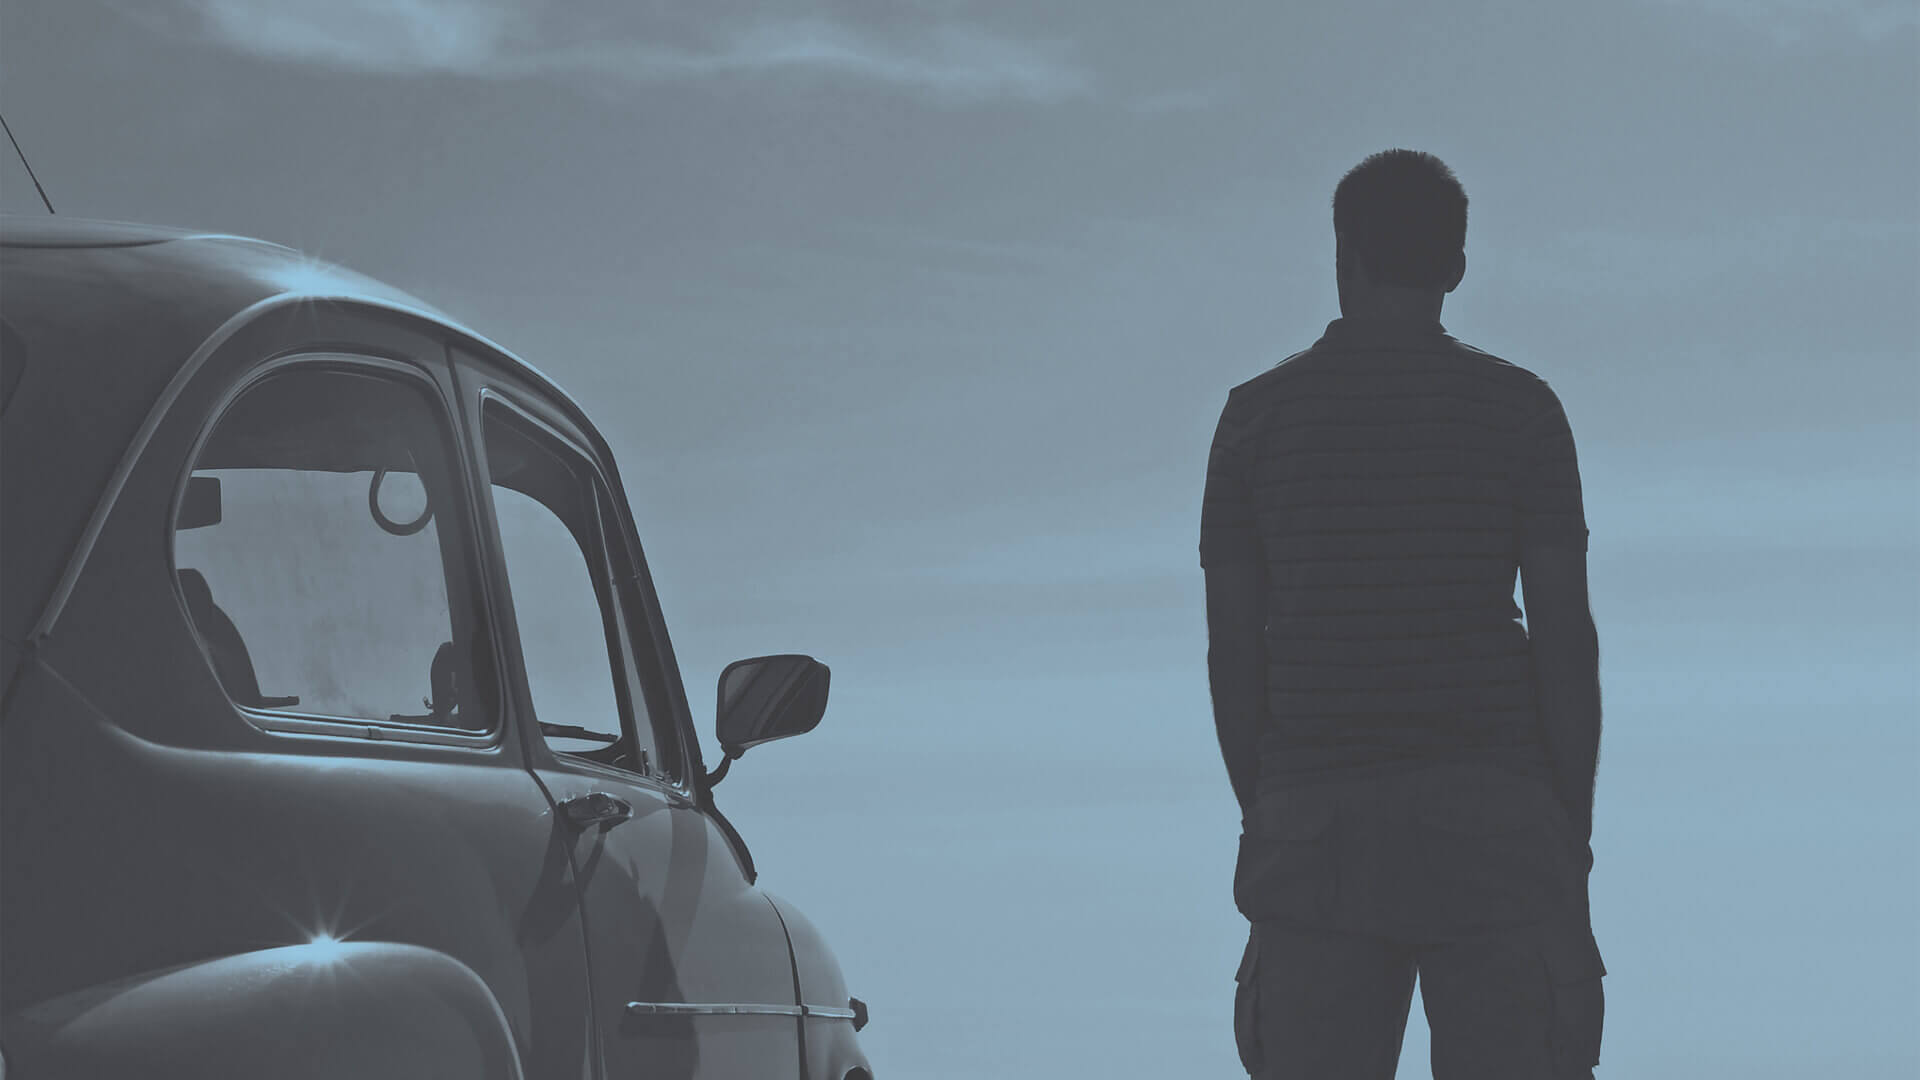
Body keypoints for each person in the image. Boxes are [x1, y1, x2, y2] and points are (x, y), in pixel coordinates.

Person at [1200, 149, 1606, 1079]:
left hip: (1314, 832)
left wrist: (1269, 807)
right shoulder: (1524, 411)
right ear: (1456, 268)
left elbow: (1233, 648)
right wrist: (1566, 830)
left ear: (1343, 254)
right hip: (1497, 824)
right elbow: (1564, 638)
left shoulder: (1254, 421)